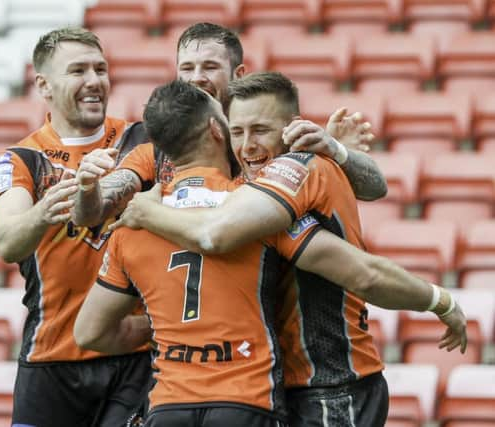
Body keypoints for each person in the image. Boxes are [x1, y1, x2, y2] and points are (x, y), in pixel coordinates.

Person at [105, 74, 467, 427]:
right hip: (283, 389)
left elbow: (364, 272)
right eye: (237, 131)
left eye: (260, 130)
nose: (246, 145)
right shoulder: (254, 183)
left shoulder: (296, 168)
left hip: (330, 386)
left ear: (293, 127)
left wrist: (440, 301)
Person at [0, 27, 151, 427]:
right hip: (51, 358)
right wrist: (44, 212)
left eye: (100, 69)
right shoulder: (22, 159)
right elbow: (7, 243)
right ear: (44, 85)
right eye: (78, 71)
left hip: (134, 355)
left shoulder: (141, 139)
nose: (94, 81)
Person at [72, 22, 386, 228]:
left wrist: (336, 152)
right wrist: (87, 186)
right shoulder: (157, 149)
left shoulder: (279, 134)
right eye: (187, 68)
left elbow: (375, 188)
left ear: (238, 73)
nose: (197, 78)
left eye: (210, 66)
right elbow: (90, 214)